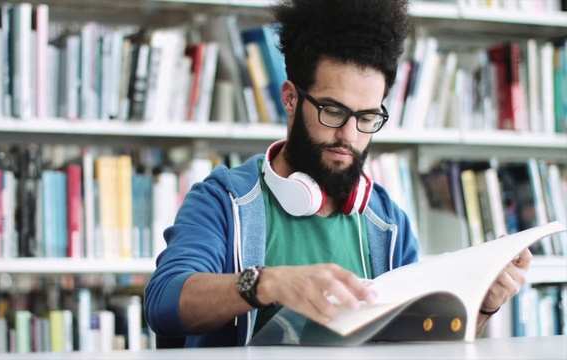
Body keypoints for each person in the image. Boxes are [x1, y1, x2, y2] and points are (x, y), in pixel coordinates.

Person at [144, 0, 532, 347]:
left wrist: (484, 307)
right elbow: (162, 302)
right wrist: (268, 283)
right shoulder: (223, 199)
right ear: (291, 98)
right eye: (333, 111)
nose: (348, 135)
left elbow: (418, 344)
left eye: (366, 117)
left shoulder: (387, 223)